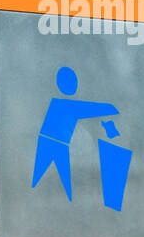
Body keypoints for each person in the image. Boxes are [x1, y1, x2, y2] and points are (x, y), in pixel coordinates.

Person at [32, 67, 120, 201]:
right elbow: (84, 109)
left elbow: (84, 109)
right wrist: (110, 108)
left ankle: (64, 197)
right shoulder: (60, 103)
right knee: (47, 174)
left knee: (61, 177)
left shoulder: (61, 103)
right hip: (51, 142)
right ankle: (52, 196)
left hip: (57, 142)